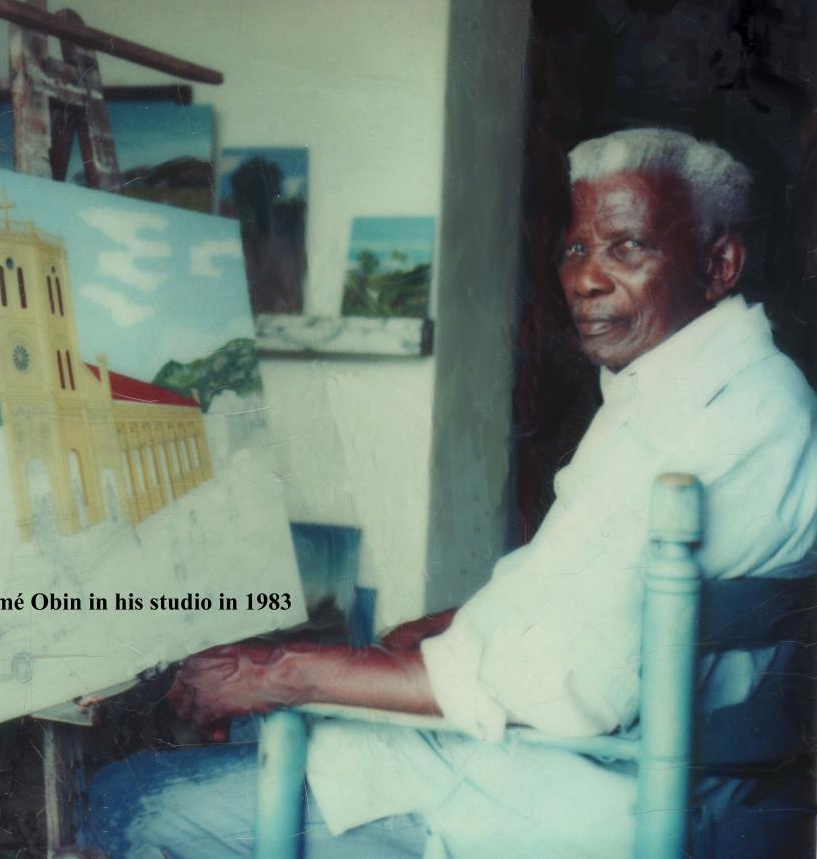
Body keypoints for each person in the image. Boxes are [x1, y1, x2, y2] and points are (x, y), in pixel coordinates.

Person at [83, 128, 817, 858]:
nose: (586, 279)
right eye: (575, 249)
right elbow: (586, 590)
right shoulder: (714, 389)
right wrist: (453, 627)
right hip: (601, 771)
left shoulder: (713, 423)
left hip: (573, 800)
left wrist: (285, 670)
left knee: (127, 800)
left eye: (628, 247)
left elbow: (569, 682)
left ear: (719, 265)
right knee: (256, 719)